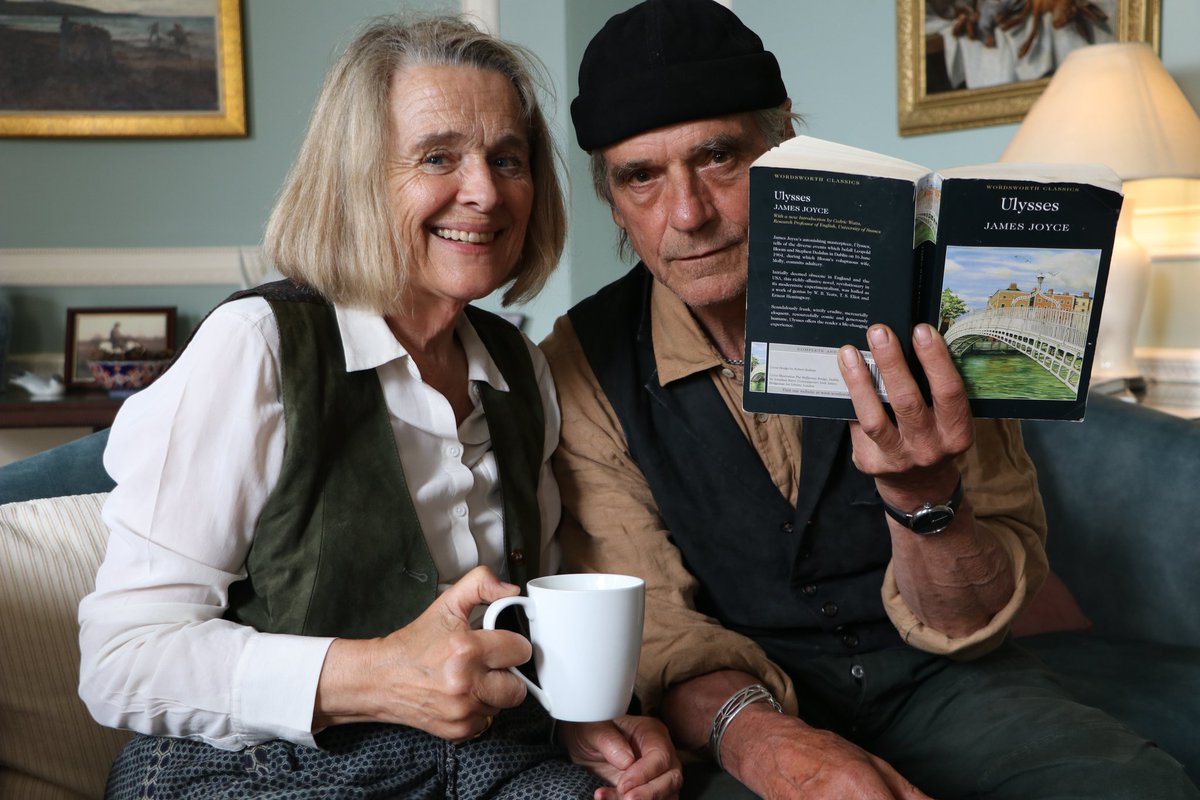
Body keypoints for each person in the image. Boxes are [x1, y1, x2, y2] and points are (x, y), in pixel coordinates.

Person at [541, 1, 1199, 799]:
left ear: (783, 145)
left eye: (718, 157)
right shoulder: (581, 362)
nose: (687, 214)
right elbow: (655, 631)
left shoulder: (933, 309)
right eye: (641, 176)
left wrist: (924, 501)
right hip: (739, 707)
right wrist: (769, 745)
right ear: (612, 199)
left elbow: (976, 615)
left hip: (939, 682)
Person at [78, 14, 680, 800]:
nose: (486, 192)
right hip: (261, 767)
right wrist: (378, 676)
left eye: (509, 158)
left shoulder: (518, 367)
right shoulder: (256, 346)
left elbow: (527, 619)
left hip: (478, 757)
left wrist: (581, 718)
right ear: (357, 176)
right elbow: (122, 659)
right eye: (438, 157)